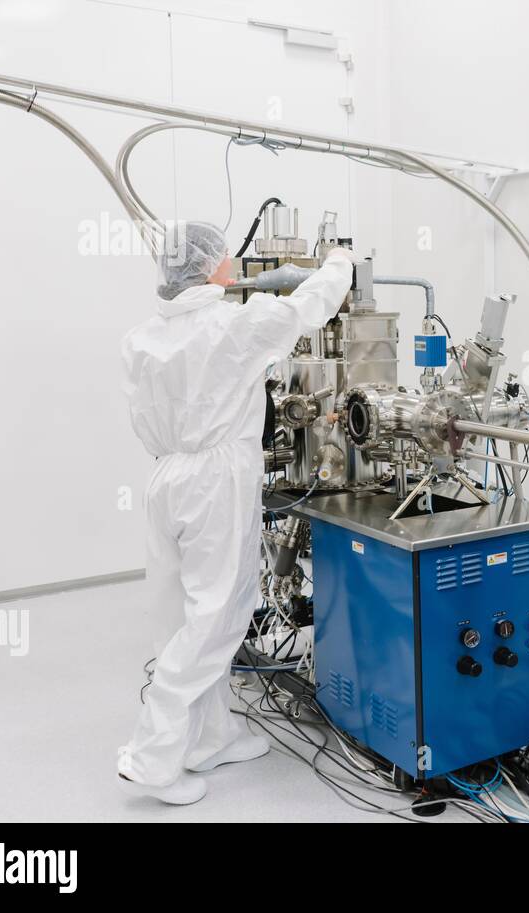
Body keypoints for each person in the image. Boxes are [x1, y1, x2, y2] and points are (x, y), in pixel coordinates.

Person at [117, 220, 353, 804]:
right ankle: (154, 757)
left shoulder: (141, 338)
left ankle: (210, 736)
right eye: (223, 254)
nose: (230, 261)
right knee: (217, 615)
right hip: (214, 480)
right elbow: (311, 307)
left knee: (180, 612)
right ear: (208, 267)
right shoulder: (234, 325)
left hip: (165, 476)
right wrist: (340, 263)